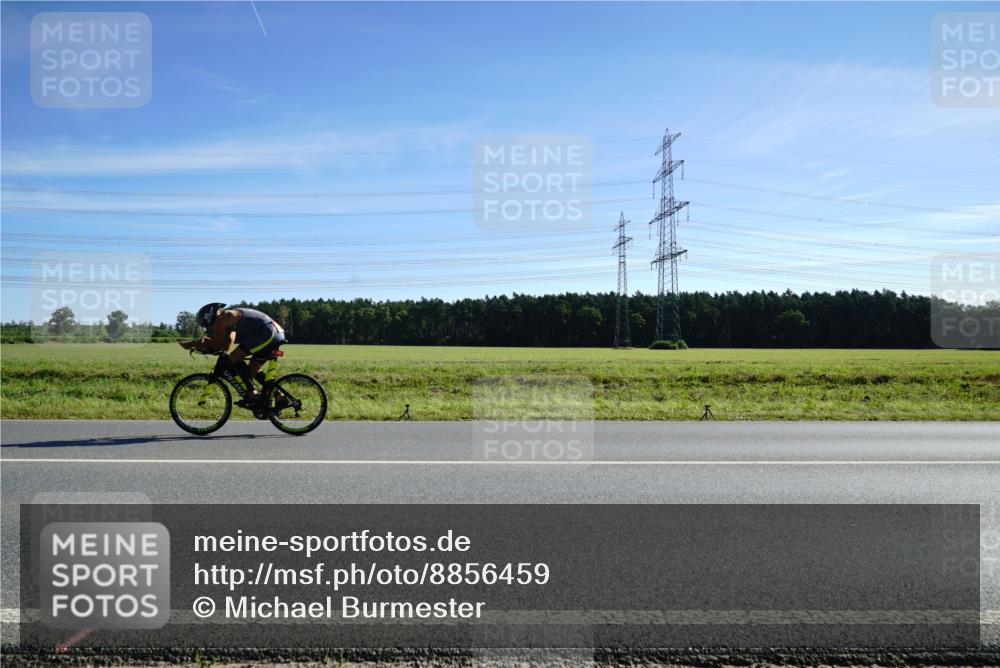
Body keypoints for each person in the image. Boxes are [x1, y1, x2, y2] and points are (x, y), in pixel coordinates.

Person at [180, 303, 286, 407]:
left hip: (267, 332)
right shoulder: (229, 318)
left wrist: (194, 343)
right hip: (272, 332)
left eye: (206, 326)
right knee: (252, 370)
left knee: (234, 358)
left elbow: (218, 344)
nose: (207, 330)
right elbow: (226, 344)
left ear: (209, 319)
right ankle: (280, 397)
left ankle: (252, 393)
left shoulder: (222, 318)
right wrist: (208, 346)